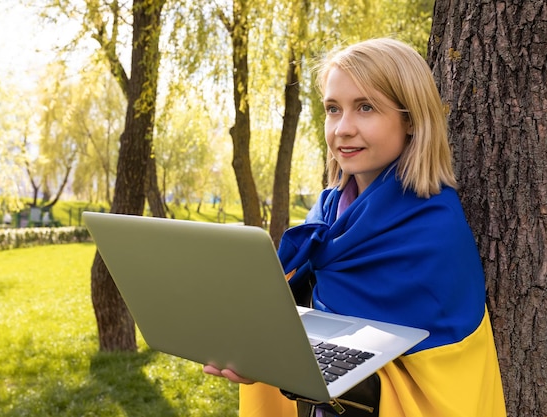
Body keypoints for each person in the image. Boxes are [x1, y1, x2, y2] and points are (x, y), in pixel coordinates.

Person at [204, 37, 506, 416]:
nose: (343, 128)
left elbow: (414, 373)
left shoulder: (432, 230)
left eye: (365, 107)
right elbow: (309, 316)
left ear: (410, 118)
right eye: (333, 109)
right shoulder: (327, 212)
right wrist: (253, 352)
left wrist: (278, 363)